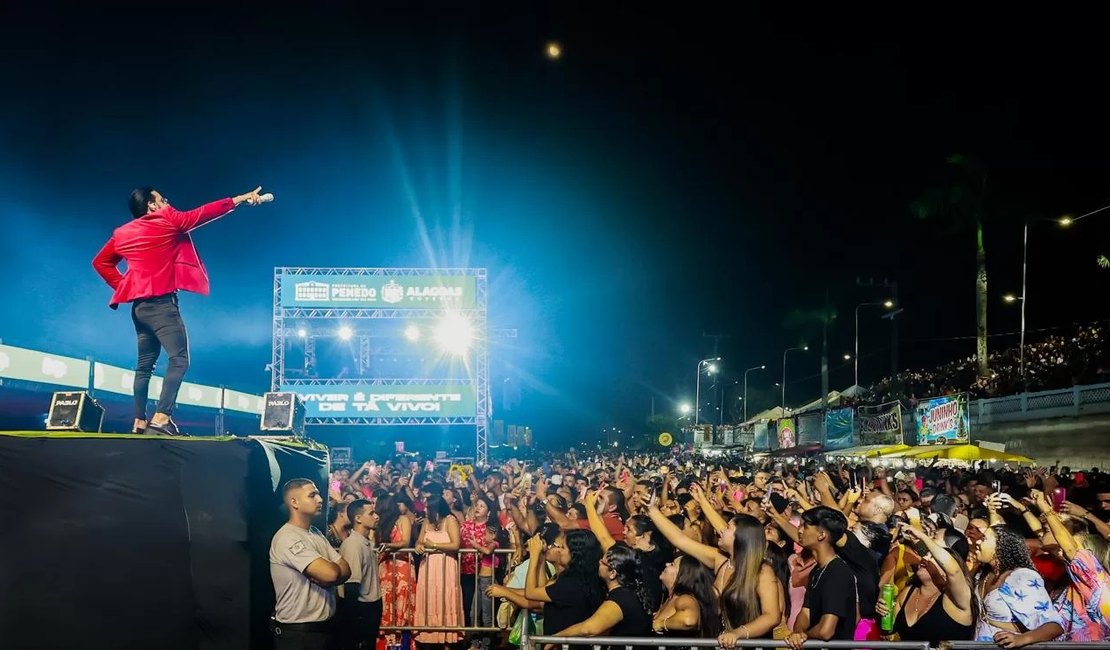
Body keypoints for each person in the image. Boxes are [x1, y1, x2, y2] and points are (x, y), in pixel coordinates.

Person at [92, 185, 266, 435]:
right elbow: (201, 214)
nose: (166, 202)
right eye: (162, 199)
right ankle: (161, 418)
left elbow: (100, 262)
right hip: (162, 306)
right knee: (179, 359)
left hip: (139, 309)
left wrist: (126, 286)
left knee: (144, 367)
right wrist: (239, 199)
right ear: (152, 206)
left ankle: (139, 421)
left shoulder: (122, 233)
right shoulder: (166, 219)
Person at [270, 478, 352, 650]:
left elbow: (345, 569)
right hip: (300, 634)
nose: (320, 499)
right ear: (294, 502)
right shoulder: (287, 537)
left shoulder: (315, 533)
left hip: (324, 629)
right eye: (312, 495)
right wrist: (333, 574)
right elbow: (332, 573)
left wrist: (333, 575)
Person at [874, 527, 975, 644]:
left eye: (932, 557)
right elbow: (889, 635)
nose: (924, 558)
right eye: (926, 555)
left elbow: (954, 571)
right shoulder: (909, 592)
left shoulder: (956, 599)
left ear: (945, 572)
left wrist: (923, 537)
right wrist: (883, 615)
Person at [971, 520, 1064, 647]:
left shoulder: (1021, 577)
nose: (977, 542)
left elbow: (1054, 626)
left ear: (999, 547)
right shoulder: (983, 575)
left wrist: (1021, 639)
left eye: (984, 539)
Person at [786, 507, 858, 650]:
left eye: (805, 527)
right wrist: (798, 633)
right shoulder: (817, 571)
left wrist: (804, 637)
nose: (799, 531)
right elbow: (805, 613)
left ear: (821, 535)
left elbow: (826, 630)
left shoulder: (838, 573)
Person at [552, 544, 654, 641]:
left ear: (612, 573)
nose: (599, 562)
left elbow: (589, 629)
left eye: (603, 562)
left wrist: (556, 638)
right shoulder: (630, 593)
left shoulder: (620, 599)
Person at [524, 529, 606, 645]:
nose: (559, 551)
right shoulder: (584, 577)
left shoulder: (572, 583)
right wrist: (541, 557)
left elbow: (531, 593)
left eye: (563, 548)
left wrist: (533, 557)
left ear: (574, 554)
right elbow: (542, 592)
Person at [412, 495, 464, 647]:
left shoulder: (450, 520)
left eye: (429, 508)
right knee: (429, 597)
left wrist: (434, 545)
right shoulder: (427, 522)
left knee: (444, 597)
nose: (426, 510)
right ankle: (429, 639)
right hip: (428, 566)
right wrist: (418, 545)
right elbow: (420, 540)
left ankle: (447, 640)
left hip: (445, 565)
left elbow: (455, 545)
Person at [338, 500, 383, 650]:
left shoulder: (365, 542)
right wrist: (355, 621)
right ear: (358, 518)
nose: (376, 516)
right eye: (371, 513)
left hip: (370, 606)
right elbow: (351, 585)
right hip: (362, 609)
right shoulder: (353, 545)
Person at [373, 497, 414, 650]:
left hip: (401, 565)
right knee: (385, 601)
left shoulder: (402, 519)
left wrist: (389, 545)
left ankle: (402, 642)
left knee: (401, 601)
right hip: (384, 565)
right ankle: (385, 642)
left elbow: (405, 542)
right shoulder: (377, 522)